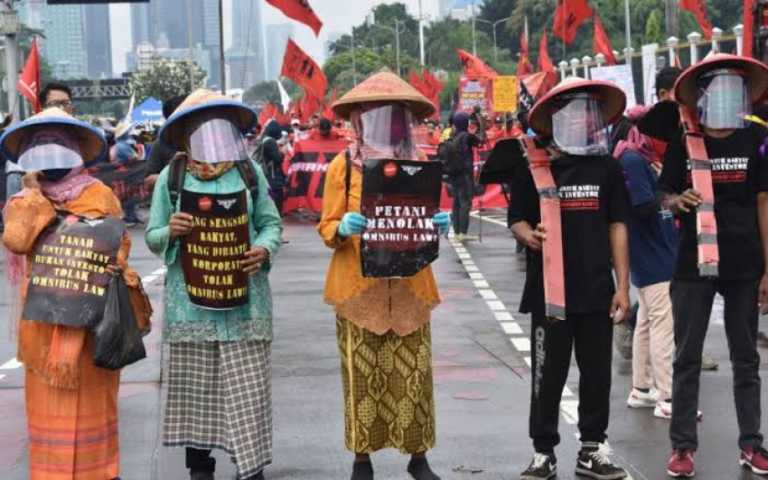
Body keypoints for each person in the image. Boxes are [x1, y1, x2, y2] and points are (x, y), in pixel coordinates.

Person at [1, 106, 151, 479]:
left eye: (58, 147)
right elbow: (17, 241)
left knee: (94, 416)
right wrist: (36, 196)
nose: (50, 157)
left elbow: (118, 246)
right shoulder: (23, 200)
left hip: (92, 327)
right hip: (42, 328)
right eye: (41, 148)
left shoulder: (98, 194)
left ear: (73, 152)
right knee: (46, 418)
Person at [317, 70, 450, 480]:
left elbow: (427, 217)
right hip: (358, 291)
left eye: (393, 116)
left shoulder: (421, 163)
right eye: (374, 115)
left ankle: (418, 457)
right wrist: (342, 228)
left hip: (410, 288)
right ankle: (362, 459)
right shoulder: (344, 167)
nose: (384, 124)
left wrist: (439, 224)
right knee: (362, 378)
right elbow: (327, 226)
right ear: (357, 119)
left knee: (413, 376)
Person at [146, 89, 282, 480]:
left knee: (248, 391)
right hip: (191, 307)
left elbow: (271, 223)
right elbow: (152, 236)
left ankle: (250, 467)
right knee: (197, 391)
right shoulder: (171, 179)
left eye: (217, 126)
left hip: (246, 305)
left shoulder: (247, 172)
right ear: (186, 134)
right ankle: (200, 468)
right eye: (200, 129)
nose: (210, 137)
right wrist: (169, 231)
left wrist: (263, 249)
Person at [509, 77, 631, 480]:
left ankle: (592, 448)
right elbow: (518, 220)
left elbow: (617, 226)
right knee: (548, 375)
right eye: (573, 113)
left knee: (596, 373)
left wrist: (624, 287)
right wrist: (530, 235)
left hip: (597, 289)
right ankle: (543, 452)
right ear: (556, 120)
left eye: (588, 113)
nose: (581, 120)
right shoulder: (538, 166)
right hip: (550, 294)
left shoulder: (607, 168)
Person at [658, 54, 768, 478]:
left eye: (731, 84)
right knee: (686, 357)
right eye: (715, 85)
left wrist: (766, 268)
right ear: (702, 94)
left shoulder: (755, 139)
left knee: (746, 359)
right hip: (692, 262)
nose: (723, 91)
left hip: (743, 263)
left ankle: (751, 444)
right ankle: (682, 448)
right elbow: (662, 195)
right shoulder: (685, 139)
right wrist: (676, 200)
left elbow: (763, 202)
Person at [614, 113, 679, 420]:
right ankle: (668, 396)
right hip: (652, 253)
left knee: (648, 322)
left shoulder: (636, 157)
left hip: (653, 250)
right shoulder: (632, 160)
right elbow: (641, 206)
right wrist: (671, 201)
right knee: (663, 324)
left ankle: (642, 387)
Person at [447, 112, 480, 242]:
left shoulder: (453, 136)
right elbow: (480, 139)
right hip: (465, 175)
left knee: (456, 203)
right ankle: (463, 233)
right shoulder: (466, 136)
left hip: (455, 175)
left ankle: (457, 232)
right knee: (465, 203)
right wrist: (479, 123)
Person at [259, 119, 287, 215]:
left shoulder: (264, 140)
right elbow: (277, 158)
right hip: (273, 177)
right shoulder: (270, 142)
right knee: (276, 198)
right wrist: (282, 153)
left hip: (268, 175)